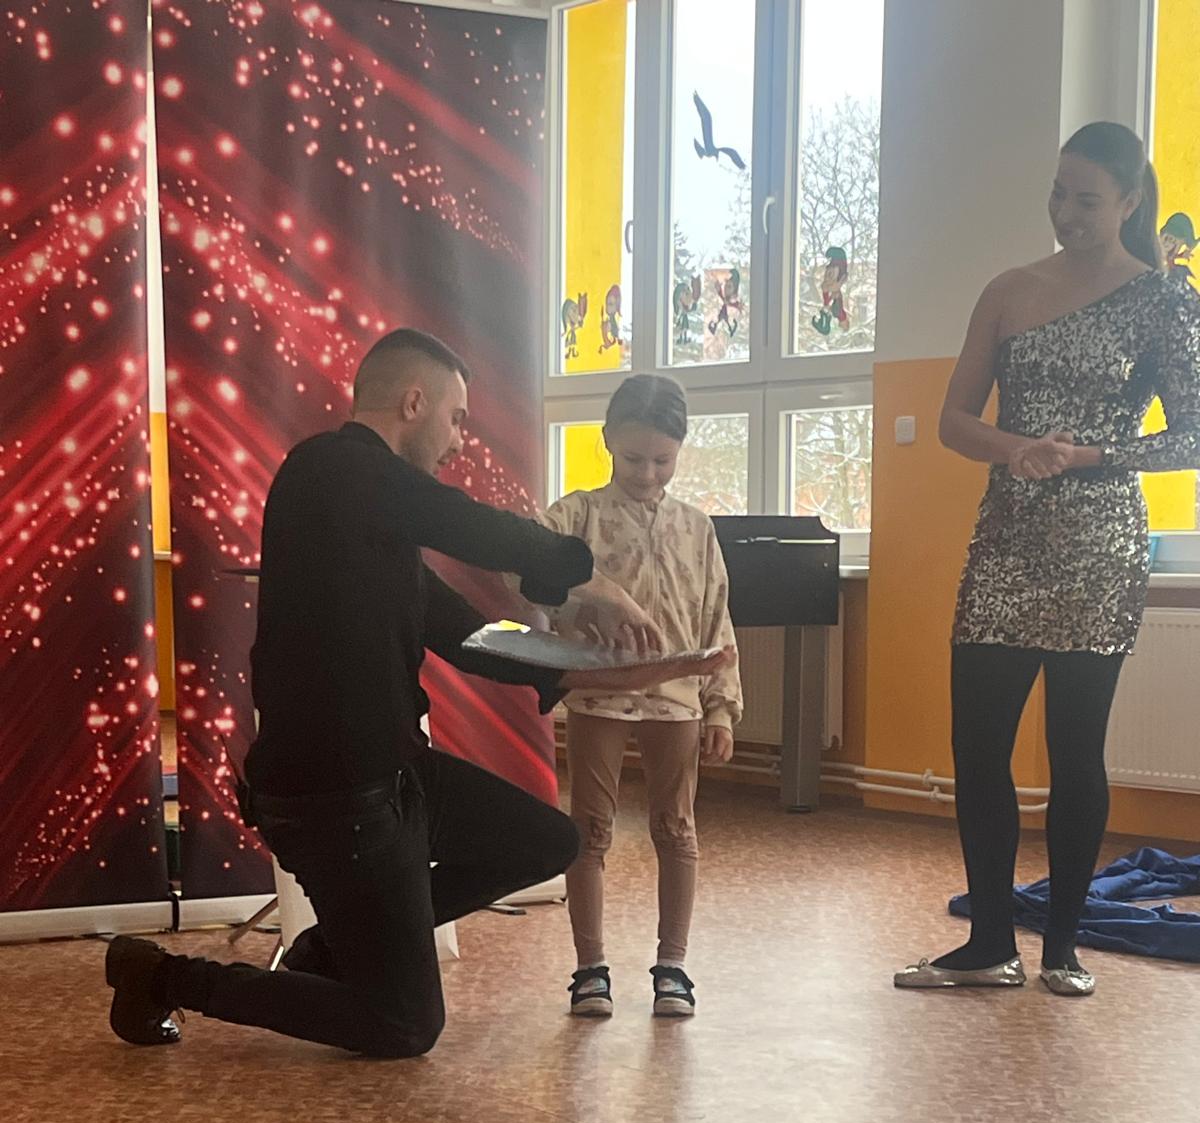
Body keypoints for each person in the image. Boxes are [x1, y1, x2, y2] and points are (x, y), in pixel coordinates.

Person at [105, 330, 731, 1057]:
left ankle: (334, 949)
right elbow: (469, 524)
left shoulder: (379, 529)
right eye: (456, 418)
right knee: (403, 1025)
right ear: (413, 403)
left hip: (399, 780)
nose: (460, 440)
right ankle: (161, 975)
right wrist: (591, 580)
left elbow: (477, 638)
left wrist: (608, 669)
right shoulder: (330, 469)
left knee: (549, 841)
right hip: (331, 800)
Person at [896, 123, 1200, 998]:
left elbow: (1189, 434)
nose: (1066, 212)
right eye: (1058, 193)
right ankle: (990, 943)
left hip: (1100, 547)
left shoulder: (1163, 301)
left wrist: (1092, 456)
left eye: (1087, 199)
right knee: (978, 745)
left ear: (1130, 202)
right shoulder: (1007, 289)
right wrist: (1017, 448)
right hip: (1007, 539)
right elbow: (954, 420)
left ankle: (1062, 947)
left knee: (1075, 748)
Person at [541, 376, 742, 1019]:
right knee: (589, 829)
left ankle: (673, 967)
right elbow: (526, 558)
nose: (648, 473)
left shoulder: (697, 527)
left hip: (677, 698)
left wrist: (721, 705)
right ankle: (589, 969)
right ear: (607, 441)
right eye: (633, 458)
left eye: (662, 459)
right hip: (598, 694)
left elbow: (716, 617)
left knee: (676, 828)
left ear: (680, 449)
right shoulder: (578, 515)